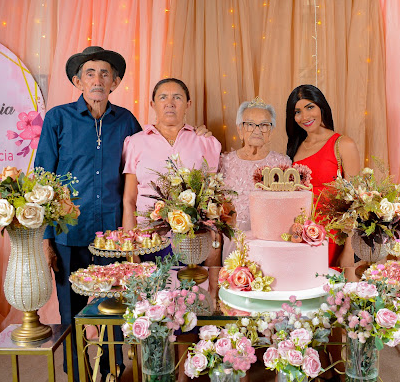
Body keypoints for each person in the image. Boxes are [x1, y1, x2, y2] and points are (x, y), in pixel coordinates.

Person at [35, 46, 143, 382]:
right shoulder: (58, 118)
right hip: (68, 233)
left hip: (112, 235)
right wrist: (46, 239)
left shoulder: (126, 121)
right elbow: (43, 181)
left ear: (115, 82)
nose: (98, 80)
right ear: (78, 81)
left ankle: (112, 370)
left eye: (105, 74)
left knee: (114, 306)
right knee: (70, 310)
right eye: (90, 73)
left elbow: (147, 159)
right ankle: (77, 372)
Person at [122, 78, 222, 263]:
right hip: (147, 240)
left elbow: (212, 200)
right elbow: (129, 200)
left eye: (177, 97)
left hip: (193, 241)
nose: (170, 103)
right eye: (163, 97)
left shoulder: (205, 142)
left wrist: (214, 251)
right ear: (152, 104)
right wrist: (131, 251)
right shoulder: (135, 142)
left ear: (188, 104)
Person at [286, 84, 361, 270]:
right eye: (297, 112)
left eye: (310, 107)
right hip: (300, 239)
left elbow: (357, 202)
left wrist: (349, 250)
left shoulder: (343, 144)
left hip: (333, 238)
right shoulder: (295, 147)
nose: (304, 116)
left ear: (321, 107)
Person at [219, 97, 291, 261]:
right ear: (240, 130)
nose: (257, 130)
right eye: (250, 124)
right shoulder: (225, 162)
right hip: (233, 246)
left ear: (271, 131)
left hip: (270, 245)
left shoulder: (283, 164)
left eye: (264, 125)